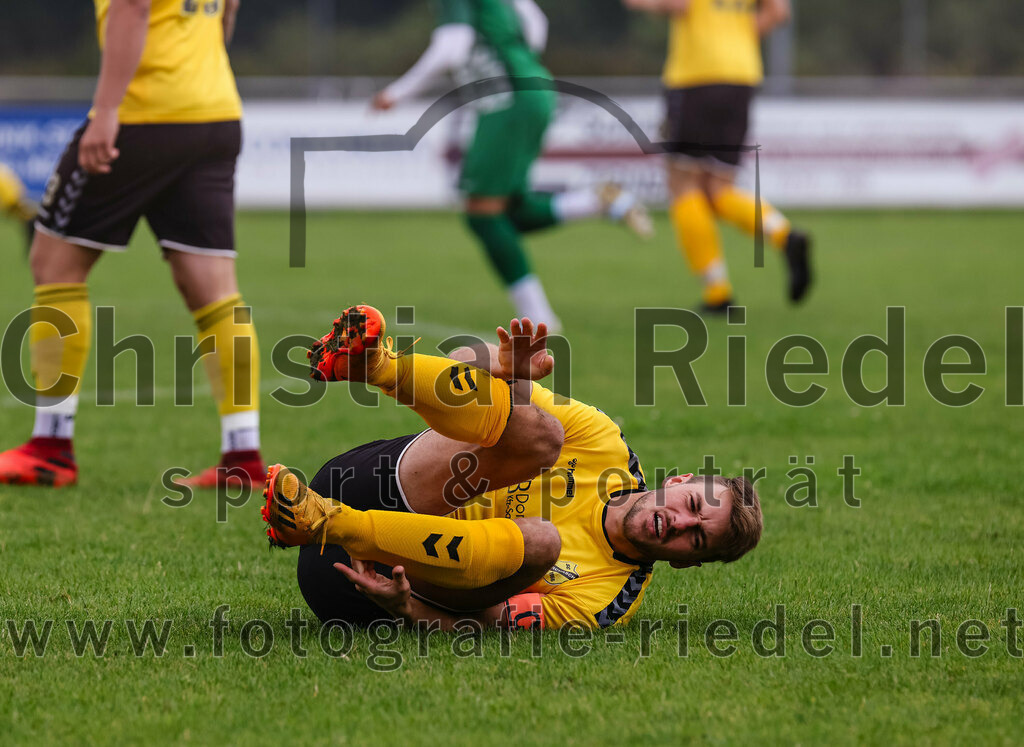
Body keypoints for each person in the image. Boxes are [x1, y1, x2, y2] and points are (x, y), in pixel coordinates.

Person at [262, 305, 762, 630]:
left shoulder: (605, 598)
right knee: (540, 431)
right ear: (677, 482)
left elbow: (483, 622)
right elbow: (462, 360)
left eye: (695, 538)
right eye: (693, 505)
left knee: (542, 542)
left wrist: (406, 608)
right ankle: (374, 366)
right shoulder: (604, 445)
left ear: (685, 562)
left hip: (371, 586)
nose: (679, 521)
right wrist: (503, 369)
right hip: (376, 482)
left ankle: (322, 522)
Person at [0, 0, 263, 489]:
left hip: (146, 114)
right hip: (215, 112)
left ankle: (50, 447)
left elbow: (133, 4)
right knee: (214, 290)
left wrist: (106, 111)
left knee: (54, 263)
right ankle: (243, 453)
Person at [372, 0, 654, 332]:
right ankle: (596, 201)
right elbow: (537, 22)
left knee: (483, 215)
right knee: (509, 212)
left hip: (507, 100)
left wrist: (397, 93)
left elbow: (451, 48)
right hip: (530, 89)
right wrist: (516, 55)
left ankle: (540, 318)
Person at [624, 0, 812, 312]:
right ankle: (784, 235)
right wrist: (735, 36)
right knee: (718, 189)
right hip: (741, 75)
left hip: (696, 75)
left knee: (683, 184)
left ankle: (717, 292)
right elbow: (779, 11)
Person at [0, 162, 38, 252]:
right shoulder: (3, 170)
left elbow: (12, 197)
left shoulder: (2, 172)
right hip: (15, 199)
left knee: (29, 219)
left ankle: (33, 242)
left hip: (13, 200)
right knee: (29, 219)